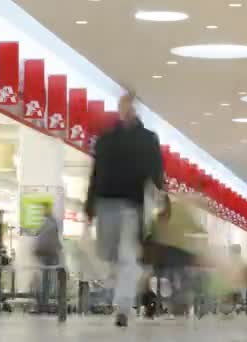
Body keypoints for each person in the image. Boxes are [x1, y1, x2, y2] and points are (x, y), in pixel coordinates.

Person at [85, 90, 164, 327]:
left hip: (132, 203)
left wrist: (159, 192)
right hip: (107, 201)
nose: (126, 110)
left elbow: (157, 171)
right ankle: (118, 288)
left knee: (128, 256)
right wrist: (89, 205)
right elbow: (96, 174)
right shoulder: (106, 140)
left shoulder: (148, 138)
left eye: (129, 106)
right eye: (123, 105)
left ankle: (123, 305)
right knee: (107, 254)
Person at [33, 202, 63, 313]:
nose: (42, 211)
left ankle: (45, 303)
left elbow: (43, 238)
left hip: (47, 254)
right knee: (46, 280)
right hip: (49, 254)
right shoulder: (51, 222)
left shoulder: (48, 222)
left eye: (43, 209)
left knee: (46, 280)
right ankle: (45, 302)